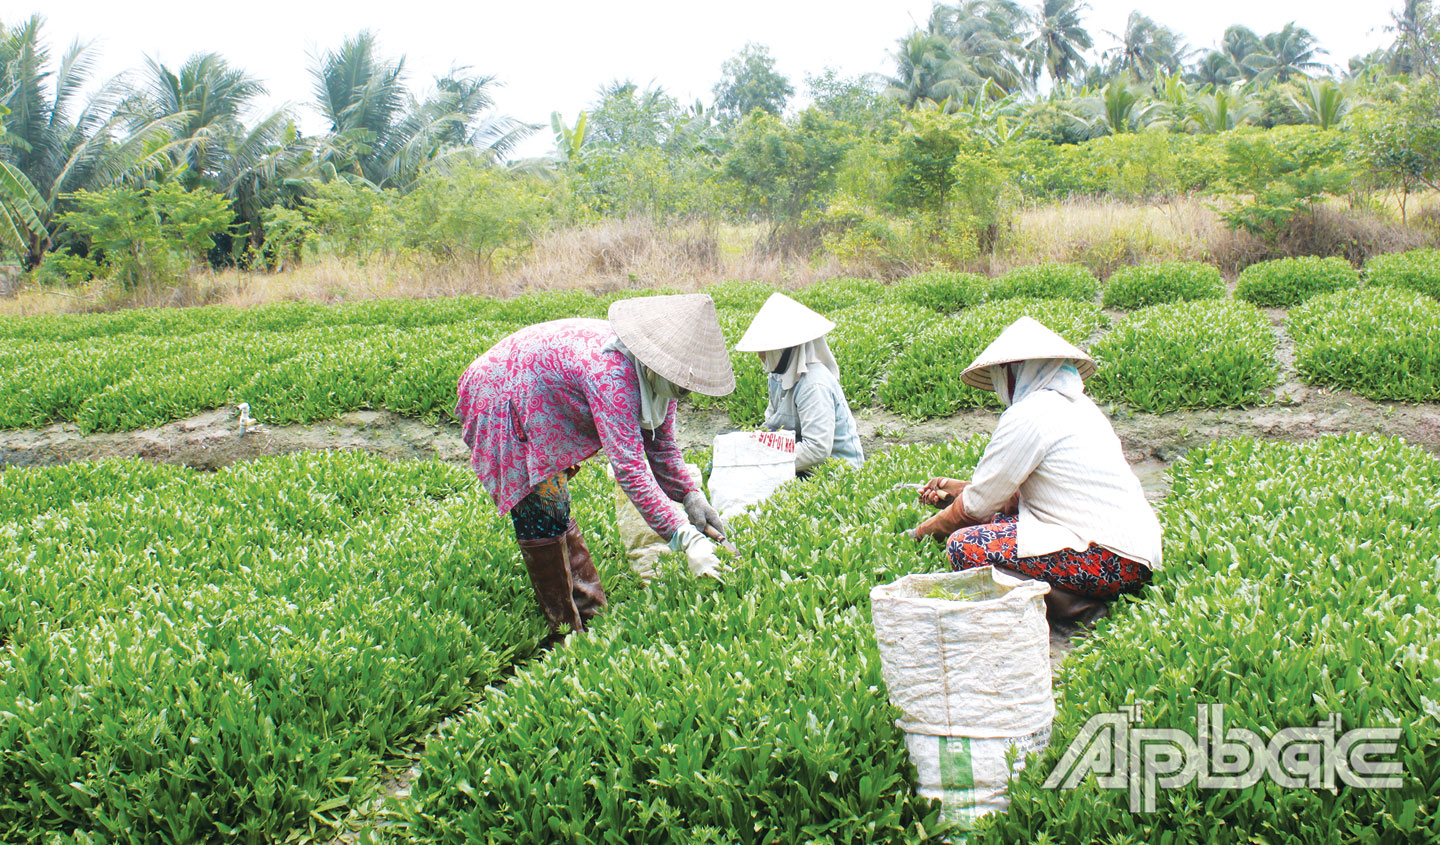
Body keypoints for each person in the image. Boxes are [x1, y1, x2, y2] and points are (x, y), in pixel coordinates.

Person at [455, 293, 735, 635]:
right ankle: (566, 630)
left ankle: (591, 613)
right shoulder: (613, 374)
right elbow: (631, 470)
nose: (683, 392)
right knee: (542, 507)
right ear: (655, 363)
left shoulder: (663, 380)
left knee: (553, 504)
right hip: (504, 390)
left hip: (541, 392)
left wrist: (691, 497)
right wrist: (684, 537)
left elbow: (661, 447)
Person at [908, 316, 1162, 624]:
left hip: (1107, 561)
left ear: (1012, 370)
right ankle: (1078, 598)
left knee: (964, 547)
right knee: (1002, 521)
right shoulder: (1080, 408)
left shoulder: (1029, 414)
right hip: (1137, 558)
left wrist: (921, 532)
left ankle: (1076, 608)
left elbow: (976, 508)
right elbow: (1008, 498)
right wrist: (956, 490)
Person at [734, 292, 864, 476]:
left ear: (785, 349)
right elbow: (772, 424)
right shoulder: (778, 376)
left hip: (836, 474)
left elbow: (817, 450)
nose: (760, 355)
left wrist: (764, 460)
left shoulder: (814, 385)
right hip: (800, 466)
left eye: (765, 349)